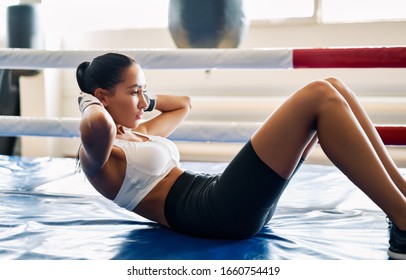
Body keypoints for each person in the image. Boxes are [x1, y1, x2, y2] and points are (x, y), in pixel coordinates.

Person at [76, 52, 406, 259]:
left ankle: (403, 203)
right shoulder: (100, 157)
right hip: (215, 213)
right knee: (318, 95)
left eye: (143, 91)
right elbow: (97, 125)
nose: (142, 100)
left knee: (333, 85)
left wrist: (144, 98)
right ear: (103, 97)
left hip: (217, 197)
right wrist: (88, 101)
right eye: (134, 92)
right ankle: (404, 223)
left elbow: (183, 104)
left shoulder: (137, 135)